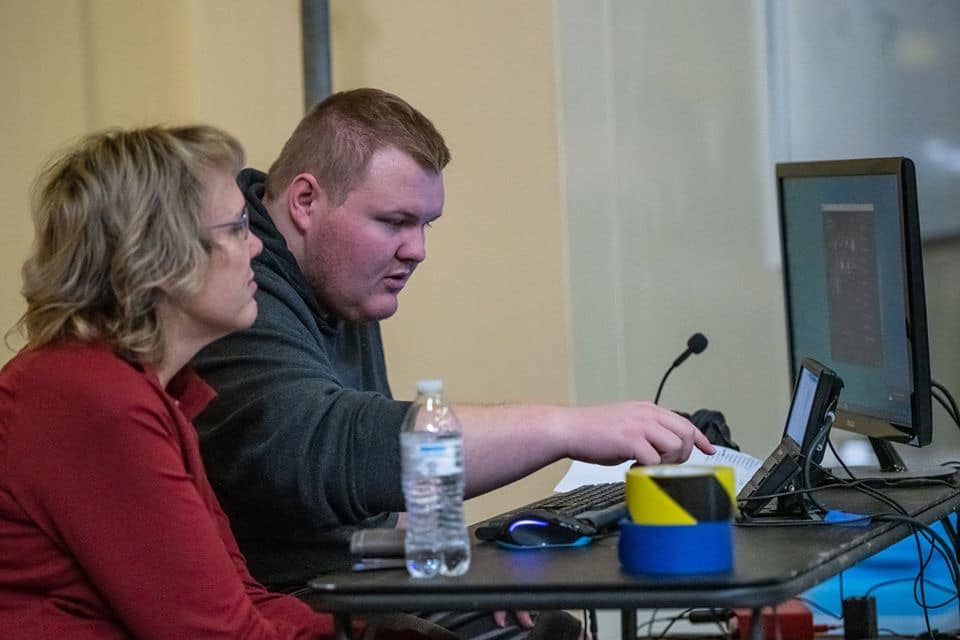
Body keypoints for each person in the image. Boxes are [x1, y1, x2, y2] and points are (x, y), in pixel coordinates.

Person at [192, 89, 714, 637]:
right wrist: (567, 427)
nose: (416, 249)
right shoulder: (235, 289)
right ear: (304, 201)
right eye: (394, 221)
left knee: (547, 625)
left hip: (356, 576)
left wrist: (457, 563)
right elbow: (325, 448)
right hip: (293, 602)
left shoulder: (340, 280)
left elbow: (369, 490)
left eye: (425, 225)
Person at [0, 125, 347, 639]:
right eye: (236, 228)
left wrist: (374, 629)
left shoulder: (148, 387)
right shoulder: (90, 398)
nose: (255, 247)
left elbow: (242, 596)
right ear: (161, 258)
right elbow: (218, 635)